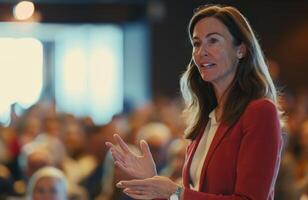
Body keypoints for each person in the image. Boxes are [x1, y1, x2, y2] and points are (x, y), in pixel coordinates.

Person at [106, 4, 283, 200]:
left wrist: (175, 192)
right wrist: (153, 181)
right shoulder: (207, 118)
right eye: (197, 43)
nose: (201, 52)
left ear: (240, 50)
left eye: (213, 41)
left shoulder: (260, 112)